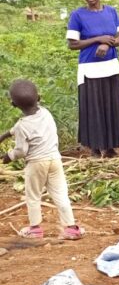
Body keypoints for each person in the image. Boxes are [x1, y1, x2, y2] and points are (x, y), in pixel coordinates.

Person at [0, 80, 81, 240]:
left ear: (13, 104)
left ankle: (35, 228)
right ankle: (71, 228)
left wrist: (8, 157)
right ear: (39, 98)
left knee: (33, 196)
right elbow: (23, 128)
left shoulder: (23, 125)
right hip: (54, 159)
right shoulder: (45, 113)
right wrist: (5, 135)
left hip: (36, 163)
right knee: (60, 193)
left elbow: (22, 150)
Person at [66, 0, 119, 158]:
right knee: (92, 107)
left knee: (111, 106)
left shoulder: (111, 12)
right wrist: (97, 39)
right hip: (89, 69)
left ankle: (110, 147)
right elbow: (72, 44)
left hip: (110, 66)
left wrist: (108, 44)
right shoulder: (77, 15)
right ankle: (94, 147)